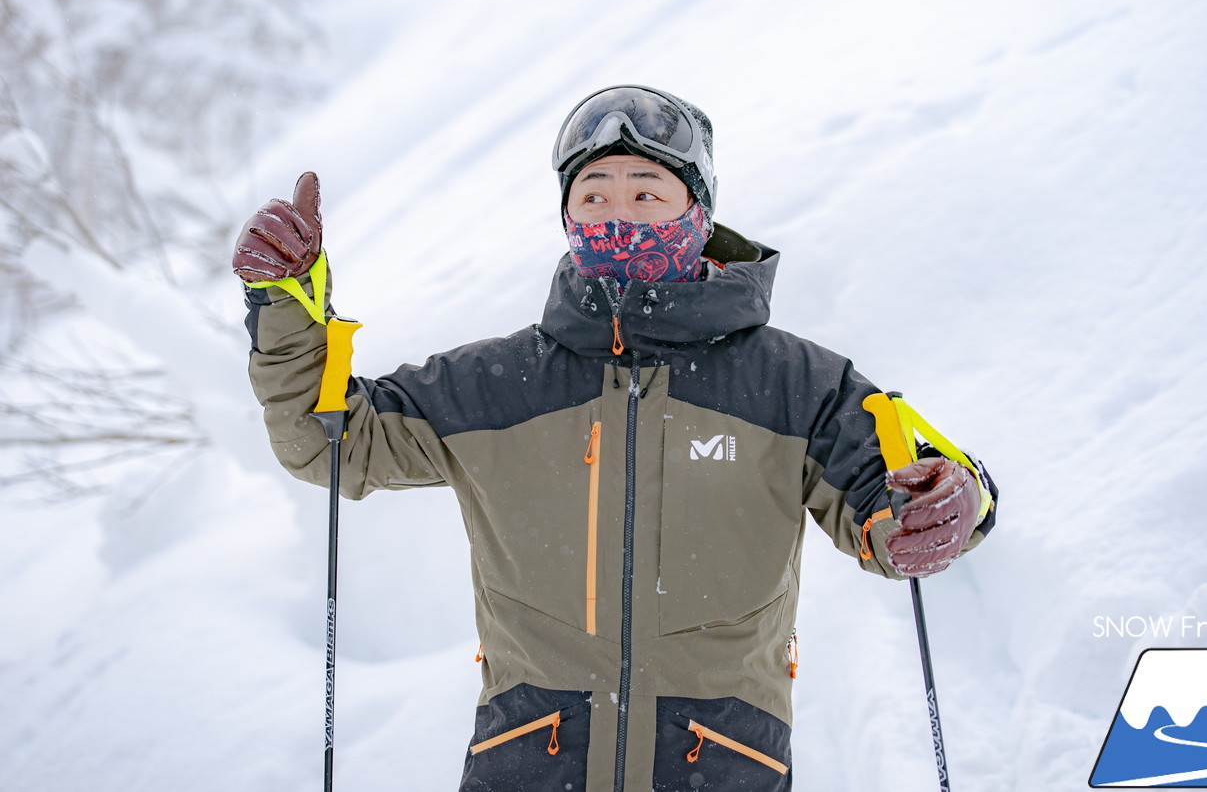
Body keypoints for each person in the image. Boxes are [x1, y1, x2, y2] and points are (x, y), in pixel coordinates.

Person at [233, 84, 998, 792]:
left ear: (697, 211)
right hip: (531, 760)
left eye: (646, 192)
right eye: (593, 195)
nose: (618, 215)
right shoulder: (501, 382)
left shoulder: (797, 384)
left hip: (721, 763)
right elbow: (326, 440)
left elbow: (902, 490)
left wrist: (950, 502)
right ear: (568, 218)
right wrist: (288, 303)